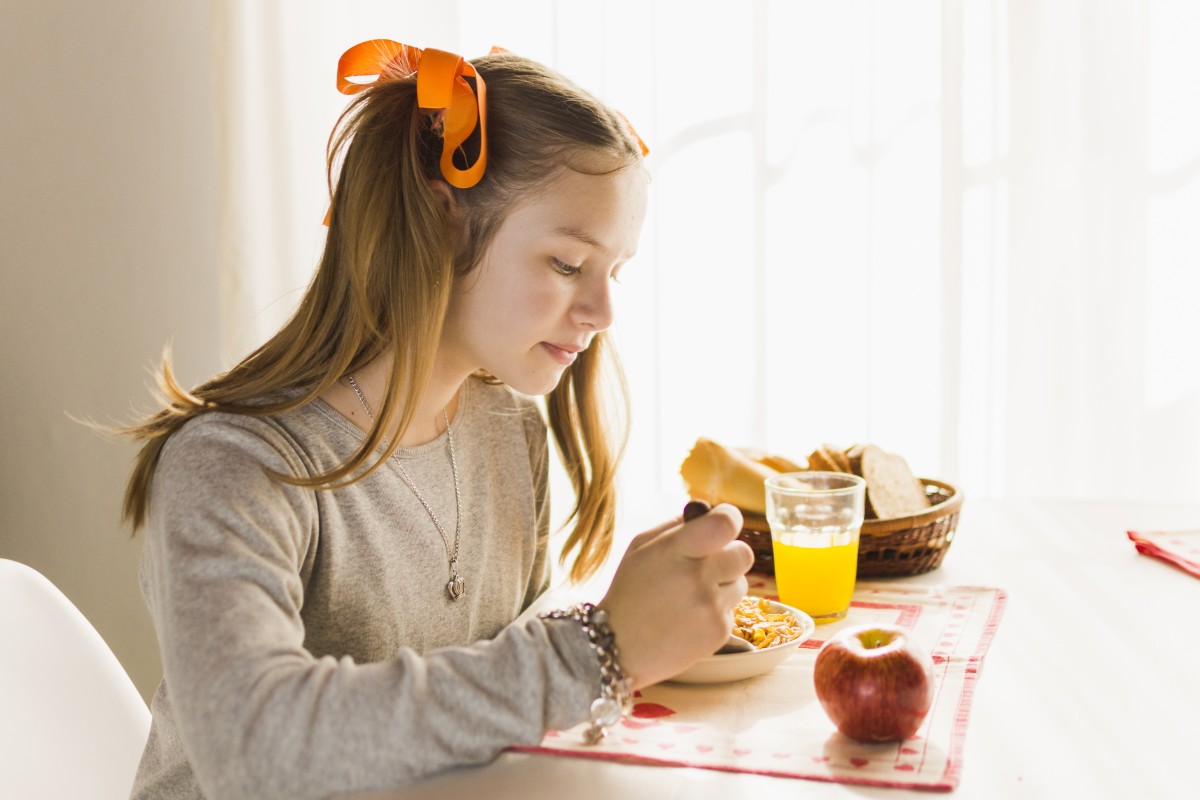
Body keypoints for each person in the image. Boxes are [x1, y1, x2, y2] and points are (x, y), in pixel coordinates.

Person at [120, 39, 752, 800]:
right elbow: (252, 749)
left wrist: (634, 635)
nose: (603, 311)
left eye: (614, 272)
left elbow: (491, 721)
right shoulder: (232, 466)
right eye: (566, 263)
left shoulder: (507, 432)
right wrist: (597, 649)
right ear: (441, 221)